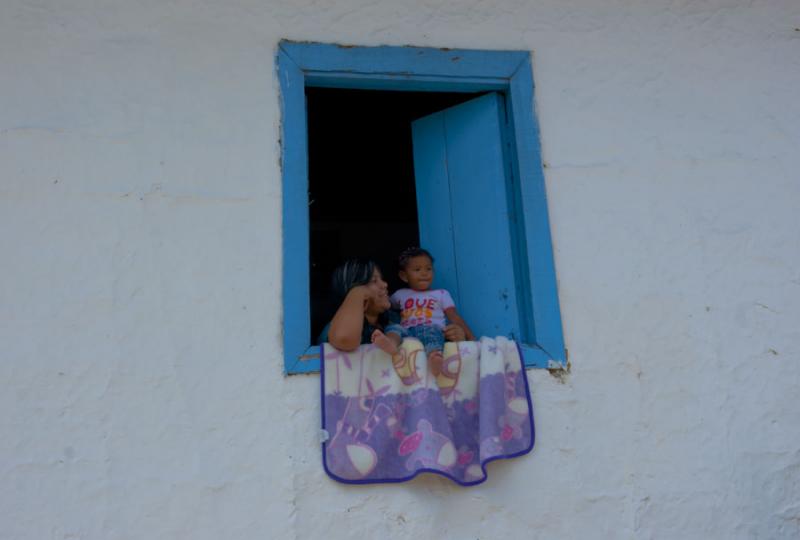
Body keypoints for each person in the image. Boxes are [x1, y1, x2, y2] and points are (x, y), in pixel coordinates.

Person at [318, 258, 466, 352]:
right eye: (374, 281)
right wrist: (357, 293)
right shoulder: (336, 328)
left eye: (381, 279)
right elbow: (345, 339)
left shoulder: (398, 318)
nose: (385, 285)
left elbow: (427, 339)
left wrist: (454, 337)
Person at [371, 248, 475, 374]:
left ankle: (435, 358)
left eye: (428, 269)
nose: (424, 273)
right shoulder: (400, 294)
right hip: (406, 331)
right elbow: (385, 308)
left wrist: (472, 339)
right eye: (417, 270)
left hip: (431, 328)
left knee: (431, 334)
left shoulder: (441, 294)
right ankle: (391, 344)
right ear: (404, 276)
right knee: (394, 328)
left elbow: (454, 317)